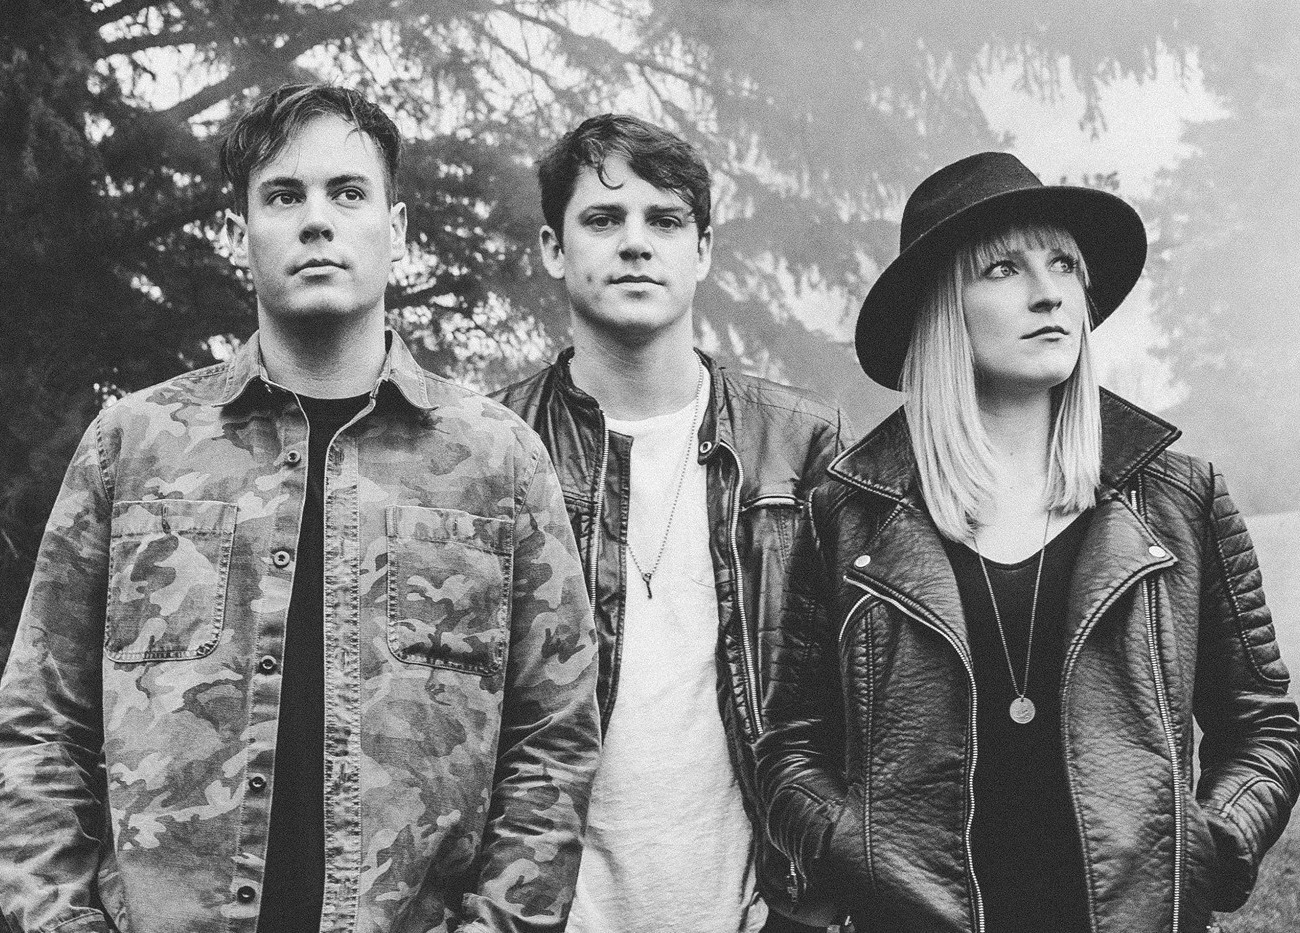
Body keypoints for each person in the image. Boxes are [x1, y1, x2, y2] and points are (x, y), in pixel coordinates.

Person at [0, 84, 600, 933]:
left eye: (348, 193)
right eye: (284, 196)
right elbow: (38, 727)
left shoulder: (499, 462)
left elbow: (553, 742)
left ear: (396, 229)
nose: (317, 220)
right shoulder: (132, 447)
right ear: (238, 232)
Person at [755, 151, 1300, 933]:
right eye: (1004, 268)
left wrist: (1206, 845)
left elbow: (1263, 725)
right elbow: (792, 747)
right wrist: (853, 852)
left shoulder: (1179, 498)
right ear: (941, 310)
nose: (1049, 292)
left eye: (1064, 264)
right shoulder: (847, 517)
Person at [493, 114, 849, 932]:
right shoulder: (496, 444)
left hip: (761, 912)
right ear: (554, 248)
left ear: (704, 249)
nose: (635, 243)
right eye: (602, 218)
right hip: (547, 915)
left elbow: (853, 700)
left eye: (664, 219)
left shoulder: (799, 443)